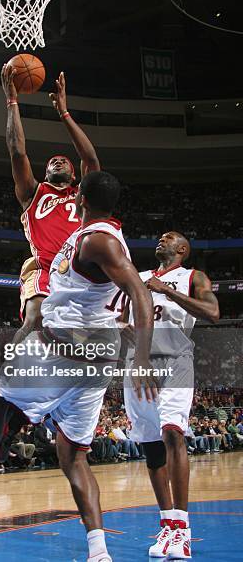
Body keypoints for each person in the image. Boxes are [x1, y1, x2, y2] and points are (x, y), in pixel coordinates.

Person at [0, 171, 155, 562]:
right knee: (73, 456)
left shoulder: (99, 240)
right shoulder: (92, 234)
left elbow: (139, 293)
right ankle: (98, 551)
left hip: (62, 351)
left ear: (80, 196)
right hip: (94, 364)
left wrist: (144, 357)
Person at [123, 231, 219, 560]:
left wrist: (168, 292)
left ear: (182, 249)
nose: (161, 240)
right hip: (138, 362)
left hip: (175, 359)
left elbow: (213, 312)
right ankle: (167, 525)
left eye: (169, 237)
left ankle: (182, 530)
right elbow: (123, 320)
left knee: (172, 433)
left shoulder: (193, 276)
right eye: (161, 237)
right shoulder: (140, 277)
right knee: (151, 447)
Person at [1, 65, 100, 341]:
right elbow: (17, 151)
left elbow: (91, 160)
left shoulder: (82, 195)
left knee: (81, 340)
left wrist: (64, 114)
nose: (57, 161)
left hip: (80, 272)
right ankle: (6, 381)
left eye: (64, 161)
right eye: (52, 162)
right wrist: (12, 101)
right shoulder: (33, 192)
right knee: (34, 319)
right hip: (46, 268)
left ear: (73, 174)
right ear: (46, 173)